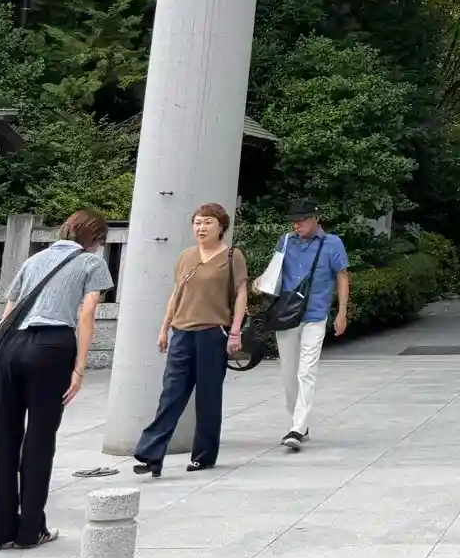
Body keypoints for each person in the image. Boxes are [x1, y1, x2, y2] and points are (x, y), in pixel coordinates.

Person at [0, 210, 114, 551]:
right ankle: (30, 530)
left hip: (13, 347)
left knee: (4, 438)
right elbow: (86, 314)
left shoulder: (34, 260)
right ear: (95, 238)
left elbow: (8, 314)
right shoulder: (91, 263)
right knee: (40, 439)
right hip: (52, 347)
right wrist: (80, 367)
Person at [130, 203, 248, 476]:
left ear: (221, 227)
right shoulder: (186, 256)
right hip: (182, 333)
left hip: (212, 334)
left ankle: (204, 456)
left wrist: (235, 331)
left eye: (207, 222)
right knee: (171, 394)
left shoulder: (233, 256)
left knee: (208, 397)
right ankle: (151, 455)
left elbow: (241, 293)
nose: (201, 227)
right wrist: (164, 328)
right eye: (197, 222)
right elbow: (176, 294)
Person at [266, 198, 349, 452]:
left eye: (301, 220)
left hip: (316, 315)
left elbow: (342, 276)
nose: (296, 224)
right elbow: (274, 273)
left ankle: (297, 428)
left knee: (306, 371)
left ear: (315, 219)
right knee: (288, 374)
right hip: (287, 316)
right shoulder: (286, 241)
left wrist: (342, 312)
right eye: (294, 220)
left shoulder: (332, 243)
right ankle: (298, 421)